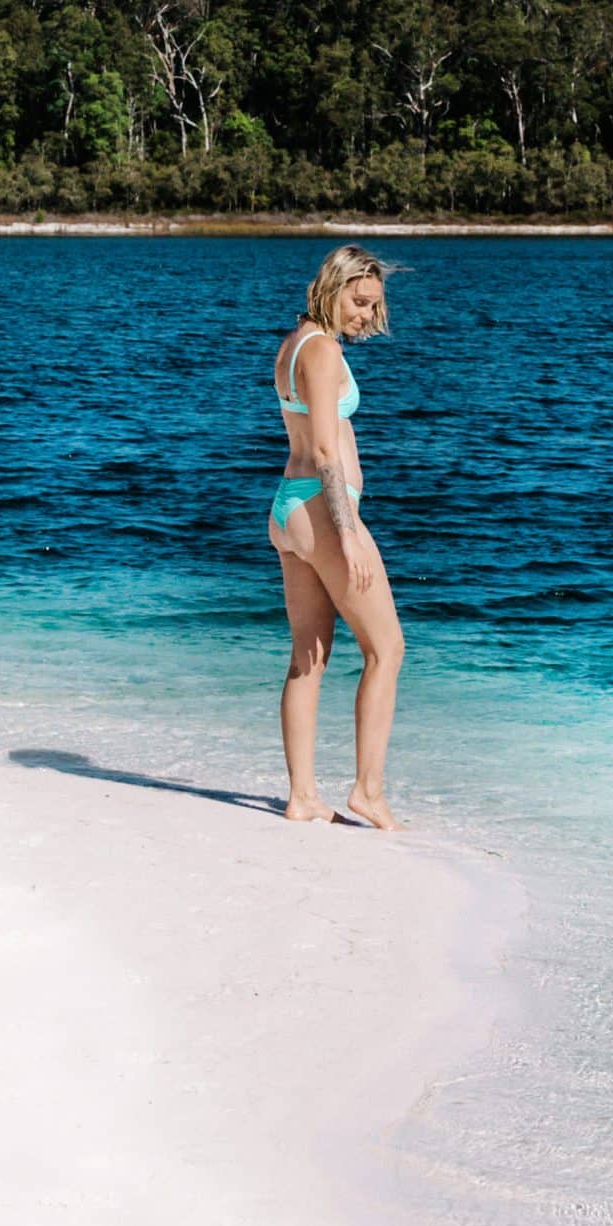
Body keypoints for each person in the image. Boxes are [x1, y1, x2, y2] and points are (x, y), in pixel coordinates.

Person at [266, 244, 405, 829]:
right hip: (324, 510)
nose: (367, 315)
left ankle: (302, 796)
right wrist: (347, 534)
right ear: (334, 286)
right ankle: (368, 792)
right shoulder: (322, 350)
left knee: (309, 655)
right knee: (387, 649)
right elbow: (325, 449)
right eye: (360, 301)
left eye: (374, 306)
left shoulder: (294, 344)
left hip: (289, 508)